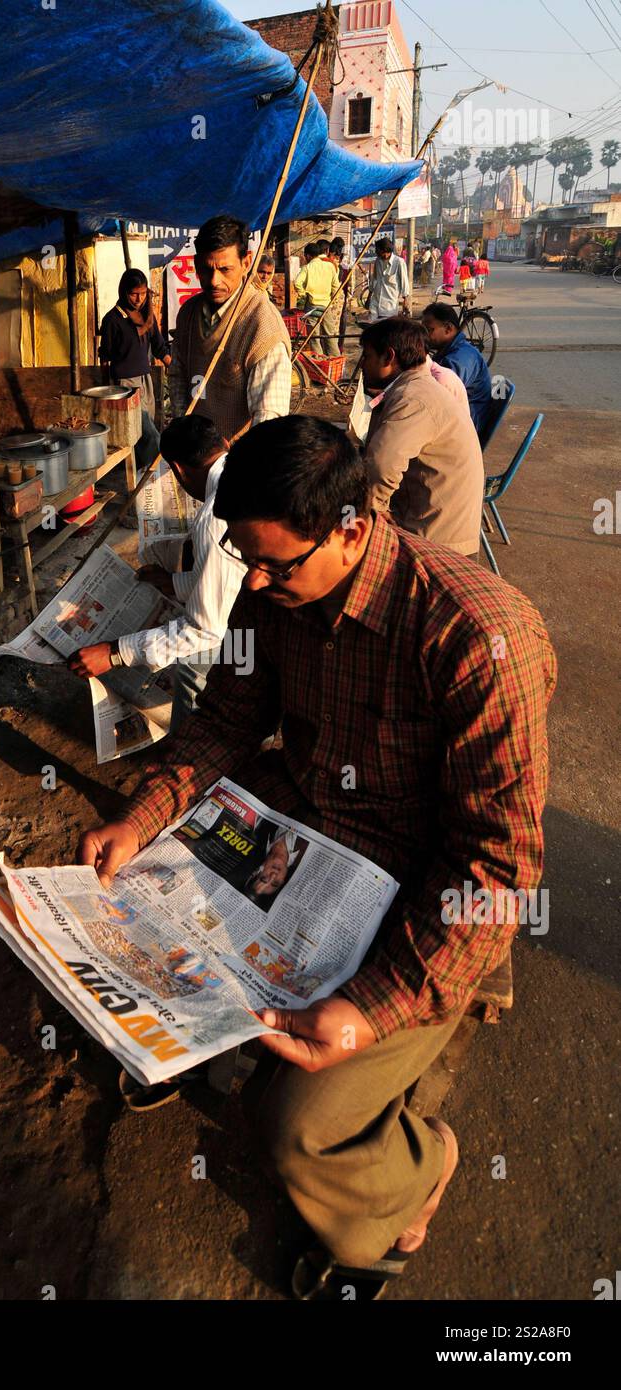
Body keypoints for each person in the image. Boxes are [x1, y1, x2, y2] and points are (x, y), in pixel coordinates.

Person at [76, 414, 557, 1297]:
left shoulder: (480, 638)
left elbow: (496, 873)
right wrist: (140, 820)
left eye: (274, 565)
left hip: (421, 896)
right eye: (242, 556)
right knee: (129, 912)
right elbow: (225, 723)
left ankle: (419, 1170)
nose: (252, 582)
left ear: (352, 529)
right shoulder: (270, 593)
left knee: (294, 1128)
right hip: (299, 837)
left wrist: (373, 1010)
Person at [67, 415, 245, 729]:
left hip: (253, 640)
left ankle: (190, 757)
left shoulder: (214, 516)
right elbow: (226, 580)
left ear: (177, 469)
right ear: (226, 444)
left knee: (193, 665)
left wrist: (114, 653)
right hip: (277, 617)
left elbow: (206, 631)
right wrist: (173, 583)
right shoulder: (245, 468)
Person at [360, 317, 484, 556]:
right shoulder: (415, 388)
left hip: (438, 541)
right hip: (434, 525)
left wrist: (372, 512)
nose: (363, 365)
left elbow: (381, 468)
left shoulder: (413, 399)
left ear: (389, 357)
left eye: (367, 357)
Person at [169, 215, 291, 442]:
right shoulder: (188, 313)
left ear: (246, 263)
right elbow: (177, 375)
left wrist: (241, 460)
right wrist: (182, 426)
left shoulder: (262, 322)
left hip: (238, 457)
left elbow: (268, 415)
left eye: (225, 269)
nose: (214, 281)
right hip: (196, 451)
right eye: (207, 269)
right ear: (196, 264)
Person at [99, 268, 171, 470]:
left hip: (146, 379)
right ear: (123, 292)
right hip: (125, 385)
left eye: (142, 293)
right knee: (148, 431)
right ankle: (150, 468)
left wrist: (173, 368)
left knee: (142, 430)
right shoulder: (112, 320)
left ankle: (139, 471)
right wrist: (107, 389)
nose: (139, 298)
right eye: (133, 293)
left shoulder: (147, 316)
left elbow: (159, 346)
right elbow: (105, 356)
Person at [421, 302, 493, 434]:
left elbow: (437, 396)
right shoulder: (448, 350)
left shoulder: (461, 358)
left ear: (448, 329)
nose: (424, 336)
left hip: (466, 427)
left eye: (429, 330)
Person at [294, 238, 342, 357]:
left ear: (308, 256)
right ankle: (335, 359)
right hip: (326, 306)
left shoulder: (307, 267)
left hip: (312, 307)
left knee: (314, 337)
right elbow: (336, 286)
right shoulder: (330, 266)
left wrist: (303, 294)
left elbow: (297, 283)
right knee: (329, 335)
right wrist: (333, 300)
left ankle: (319, 362)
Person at [365, 238, 409, 321]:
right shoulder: (378, 261)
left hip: (389, 306)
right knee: (372, 326)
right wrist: (368, 298)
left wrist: (405, 301)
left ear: (385, 251)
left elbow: (404, 282)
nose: (377, 254)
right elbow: (374, 280)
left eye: (379, 252)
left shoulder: (399, 262)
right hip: (375, 303)